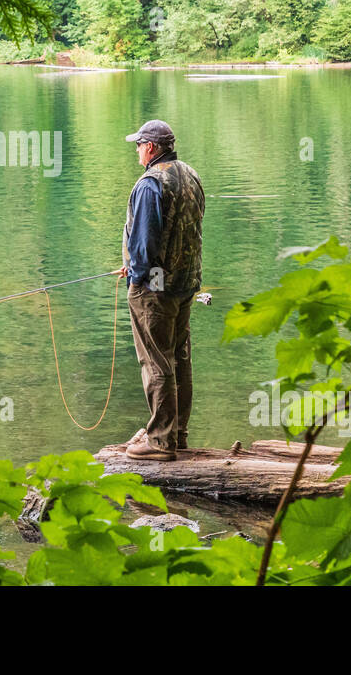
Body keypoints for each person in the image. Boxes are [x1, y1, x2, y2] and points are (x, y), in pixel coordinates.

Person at [118, 119, 205, 461]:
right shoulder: (190, 175)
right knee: (179, 358)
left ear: (151, 148)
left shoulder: (149, 184)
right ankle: (177, 434)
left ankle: (159, 441)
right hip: (186, 282)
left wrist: (138, 274)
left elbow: (145, 243)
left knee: (155, 359)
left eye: (139, 144)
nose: (137, 150)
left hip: (156, 289)